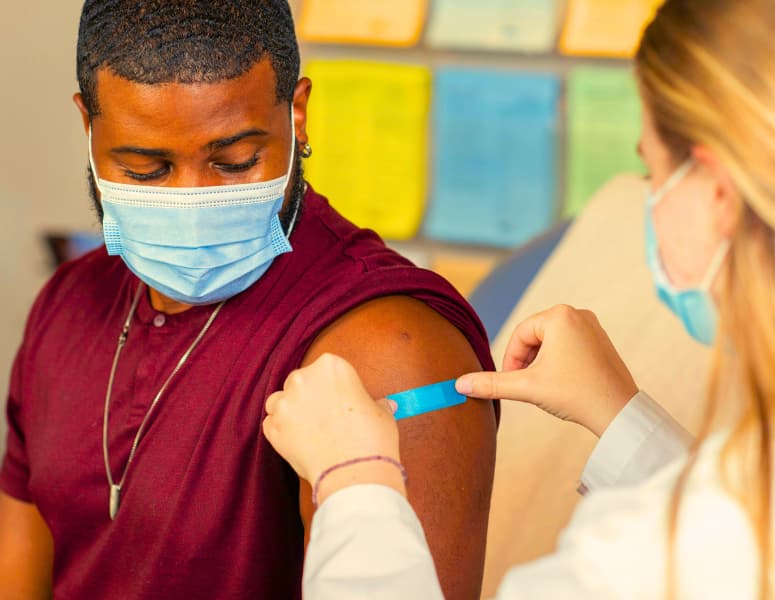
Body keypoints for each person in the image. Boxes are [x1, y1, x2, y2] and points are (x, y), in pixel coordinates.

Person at [263, 0, 775, 597]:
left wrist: (354, 481)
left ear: (718, 194)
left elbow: (714, 539)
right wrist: (621, 418)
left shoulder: (652, 553)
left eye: (651, 172)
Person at [0, 2, 498, 598]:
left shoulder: (391, 350)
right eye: (145, 169)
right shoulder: (70, 302)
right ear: (88, 126)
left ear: (297, 114)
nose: (193, 202)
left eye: (234, 162)